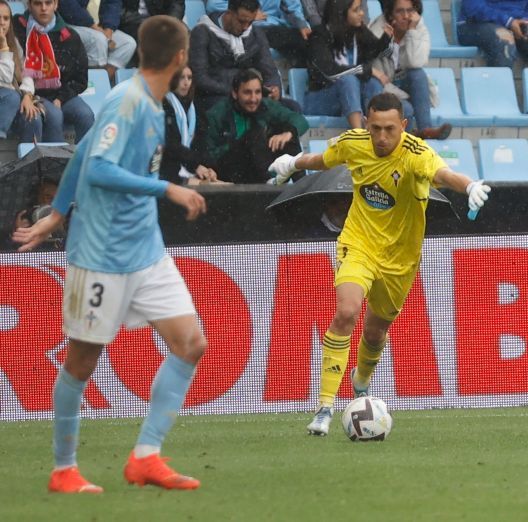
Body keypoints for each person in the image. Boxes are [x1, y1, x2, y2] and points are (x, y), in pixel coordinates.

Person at [13, 15, 208, 493]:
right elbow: (98, 168)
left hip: (145, 250)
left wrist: (56, 213)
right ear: (181, 58)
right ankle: (64, 469)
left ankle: (146, 457)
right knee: (82, 361)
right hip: (99, 254)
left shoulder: (148, 102)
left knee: (191, 342)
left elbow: (81, 153)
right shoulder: (129, 101)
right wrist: (168, 189)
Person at [267, 92, 491, 436]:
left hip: (400, 259)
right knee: (346, 312)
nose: (382, 137)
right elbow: (325, 159)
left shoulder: (417, 154)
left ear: (403, 125)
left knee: (375, 332)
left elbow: (445, 175)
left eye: (389, 129)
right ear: (366, 125)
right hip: (358, 244)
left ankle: (361, 382)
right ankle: (324, 408)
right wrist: (292, 163)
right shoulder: (355, 143)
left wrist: (470, 184)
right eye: (375, 129)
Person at [202, 68, 309, 183]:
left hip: (261, 165)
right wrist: (239, 144)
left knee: (288, 134)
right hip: (232, 170)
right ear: (234, 93)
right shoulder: (217, 114)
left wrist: (289, 133)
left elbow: (300, 120)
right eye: (247, 92)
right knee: (254, 135)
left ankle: (302, 187)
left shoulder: (266, 106)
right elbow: (208, 155)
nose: (253, 99)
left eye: (257, 92)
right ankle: (267, 187)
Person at [189, 0, 295, 114]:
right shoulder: (203, 31)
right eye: (241, 21)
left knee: (292, 108)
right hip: (216, 96)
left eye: (250, 22)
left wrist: (273, 88)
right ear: (229, 12)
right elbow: (199, 77)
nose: (245, 27)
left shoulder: (254, 33)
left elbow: (270, 70)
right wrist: (236, 92)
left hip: (248, 96)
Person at [13, 0, 95, 143]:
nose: (43, 8)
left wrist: (61, 98)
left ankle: (82, 161)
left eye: (48, 3)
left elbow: (80, 79)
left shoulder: (70, 37)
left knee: (86, 115)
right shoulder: (18, 29)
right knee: (54, 115)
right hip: (31, 94)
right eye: (38, 3)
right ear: (29, 5)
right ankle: (53, 163)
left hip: (62, 95)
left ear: (56, 4)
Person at [368, 0, 452, 140]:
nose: (406, 16)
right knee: (406, 108)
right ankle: (409, 139)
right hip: (383, 87)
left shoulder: (419, 28)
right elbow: (373, 74)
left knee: (418, 75)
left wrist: (412, 31)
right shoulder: (378, 30)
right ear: (390, 14)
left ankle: (425, 129)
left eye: (410, 10)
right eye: (400, 11)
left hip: (406, 83)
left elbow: (415, 62)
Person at [304, 0, 392, 129]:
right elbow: (330, 73)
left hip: (350, 98)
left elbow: (376, 51)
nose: (362, 13)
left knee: (373, 83)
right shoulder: (319, 35)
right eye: (356, 10)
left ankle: (374, 130)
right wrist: (368, 70)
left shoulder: (358, 31)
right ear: (341, 12)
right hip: (321, 100)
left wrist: (387, 38)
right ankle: (358, 134)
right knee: (348, 80)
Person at [161, 65, 218, 185]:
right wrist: (196, 165)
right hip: (169, 170)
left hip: (191, 167)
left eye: (189, 78)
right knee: (219, 188)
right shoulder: (163, 105)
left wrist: (207, 167)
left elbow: (202, 142)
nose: (186, 83)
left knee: (222, 186)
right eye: (181, 78)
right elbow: (170, 144)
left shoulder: (195, 107)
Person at [57, 0, 137, 82]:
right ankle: (90, 85)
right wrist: (96, 29)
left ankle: (103, 83)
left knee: (128, 43)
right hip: (69, 25)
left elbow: (113, 3)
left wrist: (109, 29)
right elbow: (69, 7)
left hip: (100, 26)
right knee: (98, 40)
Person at [0, 0, 41, 140]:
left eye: (6, 18)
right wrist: (4, 47)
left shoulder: (14, 42)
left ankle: (29, 161)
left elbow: (26, 72)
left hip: (9, 103)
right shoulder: (6, 43)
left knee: (32, 116)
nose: (2, 23)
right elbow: (5, 76)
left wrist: (27, 95)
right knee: (11, 97)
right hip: (5, 99)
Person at [457, 0, 528, 68]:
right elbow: (474, 8)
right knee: (504, 40)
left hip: (515, 23)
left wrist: (524, 22)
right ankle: (497, 79)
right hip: (475, 23)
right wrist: (508, 21)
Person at [119, 0, 184, 66]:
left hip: (161, 20)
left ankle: (184, 72)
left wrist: (169, 24)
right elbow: (117, 10)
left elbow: (177, 5)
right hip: (130, 22)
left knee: (184, 35)